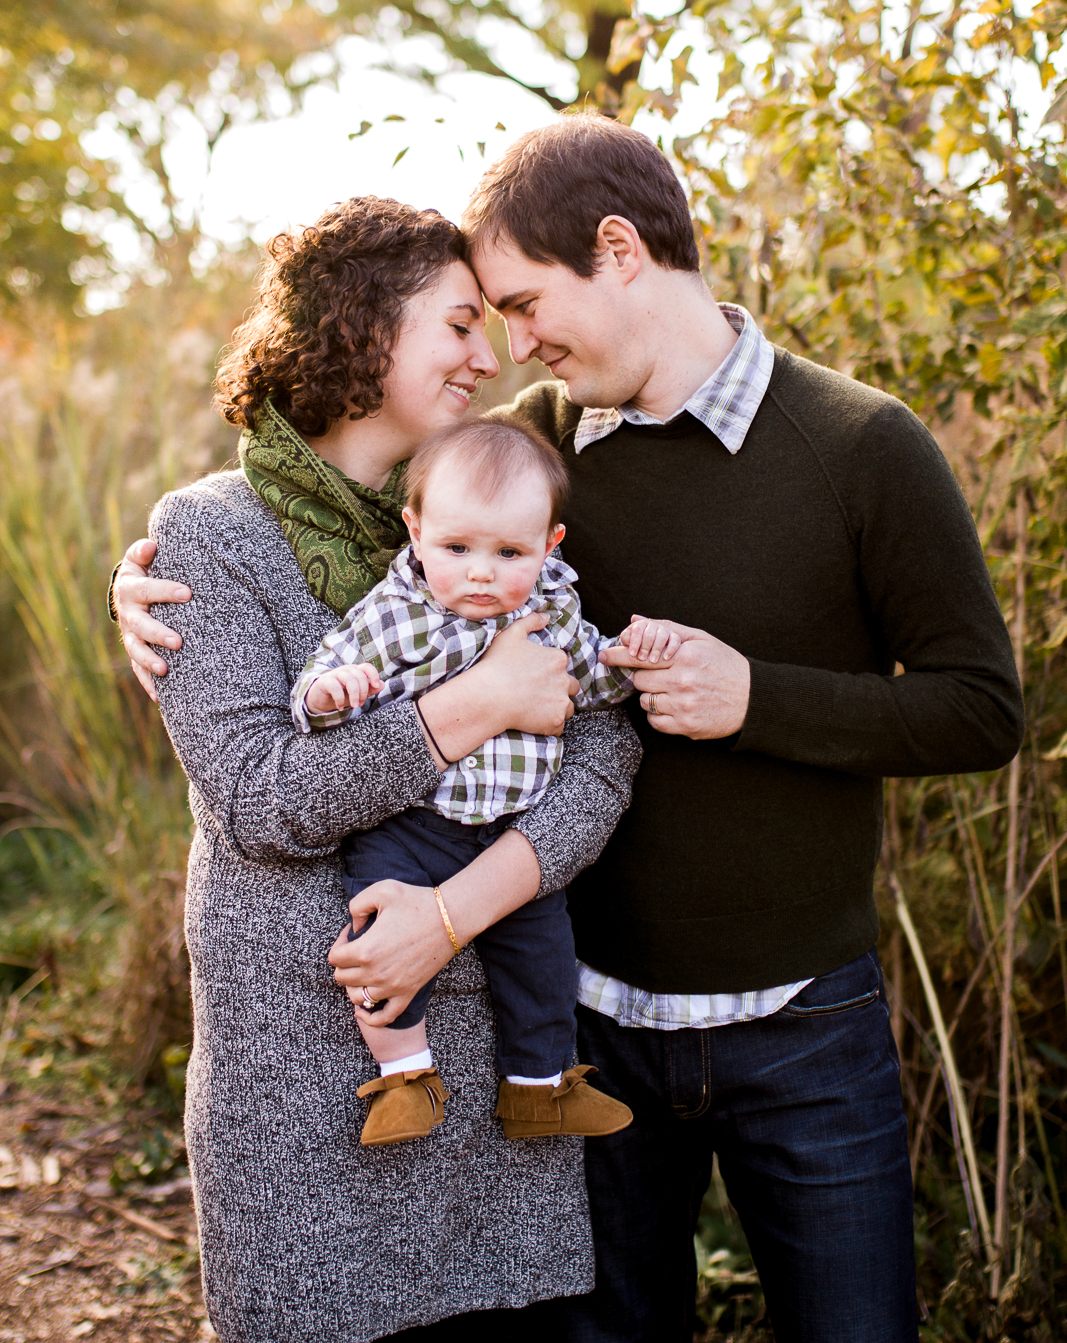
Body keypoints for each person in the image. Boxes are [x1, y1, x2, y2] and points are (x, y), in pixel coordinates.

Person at [116, 117, 1025, 1343]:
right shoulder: (521, 456)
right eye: (480, 316)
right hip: (581, 1017)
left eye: (523, 304)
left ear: (617, 249)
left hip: (800, 1026)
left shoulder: (857, 444)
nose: (507, 348)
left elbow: (975, 706)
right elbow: (311, 564)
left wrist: (755, 696)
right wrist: (141, 591)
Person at [115, 195, 642, 1343]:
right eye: (456, 324)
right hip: (308, 1076)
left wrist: (462, 907)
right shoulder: (210, 534)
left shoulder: (498, 507)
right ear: (362, 327)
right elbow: (259, 799)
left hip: (502, 1054)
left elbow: (599, 748)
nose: (484, 352)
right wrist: (474, 705)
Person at [293, 417, 678, 1147]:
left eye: (509, 553)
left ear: (549, 545)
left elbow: (594, 683)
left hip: (510, 832)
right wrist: (331, 691)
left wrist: (634, 656)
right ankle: (404, 1077)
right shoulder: (396, 613)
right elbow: (323, 672)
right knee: (377, 940)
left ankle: (537, 1089)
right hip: (413, 825)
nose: (479, 572)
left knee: (544, 963)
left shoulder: (555, 611)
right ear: (414, 529)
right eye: (456, 548)